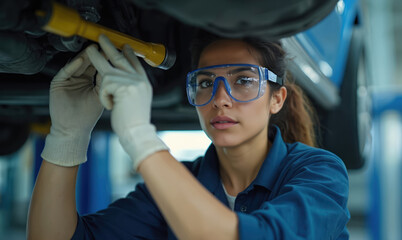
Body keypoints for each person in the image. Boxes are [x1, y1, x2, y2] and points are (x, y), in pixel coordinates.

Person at [27, 31, 350, 239]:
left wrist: (141, 137)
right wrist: (66, 138)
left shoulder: (318, 171)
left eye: (244, 80)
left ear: (276, 100)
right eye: (207, 82)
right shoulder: (176, 183)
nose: (221, 98)